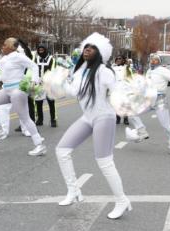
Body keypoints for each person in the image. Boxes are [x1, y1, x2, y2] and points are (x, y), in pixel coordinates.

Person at [56, 33, 131, 219]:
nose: (87, 49)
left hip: (104, 117)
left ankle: (122, 201)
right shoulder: (81, 71)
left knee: (104, 162)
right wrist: (60, 80)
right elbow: (73, 92)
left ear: (100, 53)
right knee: (61, 150)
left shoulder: (104, 71)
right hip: (87, 117)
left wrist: (127, 97)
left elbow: (117, 92)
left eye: (92, 47)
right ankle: (74, 191)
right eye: (86, 47)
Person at [0, 37, 46, 156]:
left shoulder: (19, 56)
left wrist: (34, 81)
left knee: (24, 118)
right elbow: (4, 76)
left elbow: (34, 66)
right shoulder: (4, 60)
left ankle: (39, 145)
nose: (2, 47)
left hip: (18, 90)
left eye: (5, 45)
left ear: (12, 47)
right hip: (7, 89)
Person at [126, 54, 170, 154]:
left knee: (166, 125)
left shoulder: (163, 70)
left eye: (156, 60)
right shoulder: (149, 71)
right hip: (148, 99)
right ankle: (141, 131)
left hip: (160, 100)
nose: (153, 61)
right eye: (152, 59)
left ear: (159, 61)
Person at [34, 44, 57, 127]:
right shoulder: (36, 59)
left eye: (42, 50)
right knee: (38, 103)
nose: (40, 52)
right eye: (39, 50)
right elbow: (34, 69)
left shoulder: (51, 59)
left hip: (48, 83)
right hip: (39, 83)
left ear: (45, 50)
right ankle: (40, 119)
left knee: (51, 102)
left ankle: (53, 120)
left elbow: (53, 70)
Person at [112, 55, 129, 125]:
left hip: (125, 88)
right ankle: (118, 118)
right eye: (117, 59)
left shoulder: (126, 68)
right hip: (116, 89)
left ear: (123, 60)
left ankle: (125, 119)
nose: (118, 60)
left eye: (120, 59)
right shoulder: (113, 68)